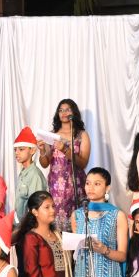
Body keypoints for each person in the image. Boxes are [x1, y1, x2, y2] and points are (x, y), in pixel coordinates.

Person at [39, 98, 91, 231]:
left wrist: (65, 149)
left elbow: (83, 163)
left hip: (76, 185)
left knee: (78, 224)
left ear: (74, 113)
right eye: (61, 110)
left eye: (67, 110)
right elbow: (44, 164)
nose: (64, 113)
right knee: (57, 223)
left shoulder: (81, 135)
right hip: (56, 187)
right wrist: (42, 151)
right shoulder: (51, 135)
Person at [13, 128, 49, 219]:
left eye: (21, 149)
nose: (17, 153)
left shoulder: (34, 175)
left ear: (32, 151)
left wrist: (29, 225)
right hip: (21, 222)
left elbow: (36, 206)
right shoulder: (23, 173)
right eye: (15, 150)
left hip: (30, 223)